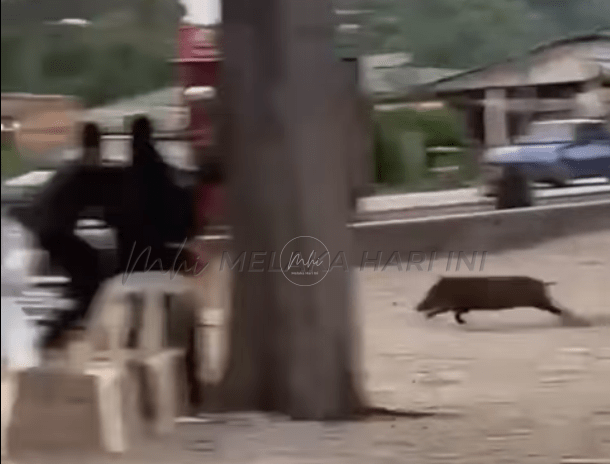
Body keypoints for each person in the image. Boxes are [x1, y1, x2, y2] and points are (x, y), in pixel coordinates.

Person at [24, 123, 107, 347]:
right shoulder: (88, 163)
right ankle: (56, 330)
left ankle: (64, 321)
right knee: (90, 271)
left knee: (86, 271)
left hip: (47, 230)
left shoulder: (73, 164)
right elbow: (98, 198)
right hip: (55, 231)